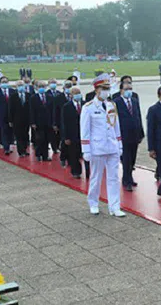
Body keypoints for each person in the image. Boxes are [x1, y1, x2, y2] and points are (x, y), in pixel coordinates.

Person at [80, 73, 125, 217]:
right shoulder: (88, 107)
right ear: (96, 89)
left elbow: (115, 126)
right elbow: (85, 130)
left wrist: (119, 144)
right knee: (96, 178)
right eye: (104, 88)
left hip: (112, 146)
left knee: (113, 178)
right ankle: (93, 203)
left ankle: (114, 206)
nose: (107, 91)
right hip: (97, 148)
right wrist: (86, 150)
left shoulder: (112, 105)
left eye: (108, 88)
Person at [114, 81, 144, 191]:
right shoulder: (116, 102)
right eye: (126, 89)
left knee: (132, 159)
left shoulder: (134, 101)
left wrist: (141, 132)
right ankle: (126, 181)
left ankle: (130, 177)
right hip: (124, 135)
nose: (129, 91)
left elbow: (138, 116)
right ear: (121, 90)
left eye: (130, 88)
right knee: (126, 159)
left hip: (135, 135)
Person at [62, 87, 84, 179]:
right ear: (71, 95)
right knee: (74, 154)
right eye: (75, 93)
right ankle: (76, 172)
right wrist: (66, 137)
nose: (77, 95)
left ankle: (88, 171)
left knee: (84, 154)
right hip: (72, 134)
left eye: (78, 93)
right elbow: (64, 122)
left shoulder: (85, 104)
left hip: (84, 133)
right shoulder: (67, 106)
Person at [30, 81, 53, 162]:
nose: (41, 88)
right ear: (37, 88)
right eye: (40, 87)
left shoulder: (49, 97)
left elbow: (51, 110)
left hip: (47, 122)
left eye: (43, 86)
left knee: (46, 139)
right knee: (40, 139)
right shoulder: (33, 98)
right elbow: (32, 111)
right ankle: (38, 154)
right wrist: (33, 122)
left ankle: (45, 156)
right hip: (38, 122)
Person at [0, 77, 15, 155]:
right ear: (0, 83)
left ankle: (9, 144)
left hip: (11, 115)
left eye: (6, 81)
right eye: (3, 82)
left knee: (10, 131)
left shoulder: (12, 91)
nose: (4, 83)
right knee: (4, 131)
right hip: (1, 115)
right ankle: (6, 148)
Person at [8, 80, 30, 157]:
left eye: (22, 85)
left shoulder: (28, 95)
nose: (21, 87)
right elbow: (10, 109)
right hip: (16, 119)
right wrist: (10, 120)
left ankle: (24, 149)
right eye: (19, 85)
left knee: (25, 135)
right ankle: (21, 151)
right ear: (16, 87)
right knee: (18, 136)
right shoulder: (13, 96)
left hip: (26, 119)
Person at [54, 80, 73, 167]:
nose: (68, 88)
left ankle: (70, 159)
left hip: (73, 123)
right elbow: (56, 112)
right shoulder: (59, 97)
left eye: (70, 87)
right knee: (64, 141)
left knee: (72, 143)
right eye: (67, 87)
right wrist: (55, 124)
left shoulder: (74, 97)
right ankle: (63, 158)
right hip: (63, 123)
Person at [47, 78, 61, 154]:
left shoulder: (59, 93)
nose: (53, 84)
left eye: (54, 82)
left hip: (58, 116)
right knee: (52, 134)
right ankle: (54, 148)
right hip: (50, 116)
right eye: (51, 82)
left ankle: (58, 146)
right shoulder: (47, 94)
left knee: (58, 134)